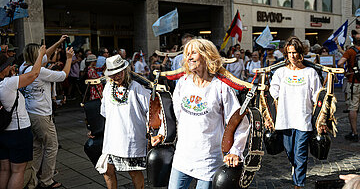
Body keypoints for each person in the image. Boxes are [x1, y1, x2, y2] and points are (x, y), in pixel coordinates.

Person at [152, 39, 250, 189]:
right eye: (186, 54)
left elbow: (239, 122)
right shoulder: (183, 83)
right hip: (183, 156)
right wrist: (162, 134)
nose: (188, 57)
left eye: (193, 53)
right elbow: (174, 116)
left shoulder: (221, 86)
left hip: (209, 159)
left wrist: (235, 151)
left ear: (206, 55)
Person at [20, 38, 74, 189]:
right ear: (36, 56)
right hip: (42, 115)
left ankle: (33, 179)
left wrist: (58, 42)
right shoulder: (41, 72)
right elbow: (63, 75)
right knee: (52, 146)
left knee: (36, 146)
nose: (44, 55)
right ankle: (47, 180)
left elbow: (44, 56)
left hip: (30, 112)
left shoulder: (23, 67)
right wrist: (69, 59)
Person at [269, 36, 322, 189]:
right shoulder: (280, 72)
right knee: (290, 151)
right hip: (285, 118)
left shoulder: (310, 73)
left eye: (295, 52)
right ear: (286, 54)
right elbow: (273, 90)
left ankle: (299, 183)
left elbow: (317, 95)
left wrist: (320, 117)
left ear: (301, 53)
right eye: (289, 53)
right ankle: (296, 168)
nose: (292, 56)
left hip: (303, 118)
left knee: (300, 153)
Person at [96, 55, 150, 189]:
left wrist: (152, 133)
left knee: (133, 172)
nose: (116, 76)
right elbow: (104, 112)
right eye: (113, 74)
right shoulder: (108, 88)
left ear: (125, 70)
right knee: (107, 170)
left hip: (131, 138)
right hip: (112, 138)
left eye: (119, 72)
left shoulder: (136, 87)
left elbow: (150, 110)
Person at [0, 46, 46, 189]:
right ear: (2, 69)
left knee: (4, 169)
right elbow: (34, 74)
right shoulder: (7, 84)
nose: (10, 66)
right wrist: (41, 55)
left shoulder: (6, 83)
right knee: (17, 171)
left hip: (2, 132)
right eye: (8, 65)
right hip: (18, 132)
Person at [338, 31, 360, 142]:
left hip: (354, 82)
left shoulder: (350, 51)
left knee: (353, 108)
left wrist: (346, 73)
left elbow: (340, 63)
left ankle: (354, 133)